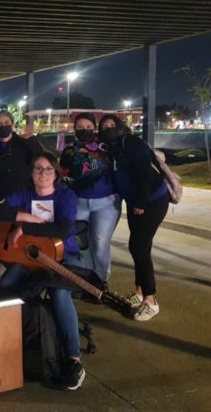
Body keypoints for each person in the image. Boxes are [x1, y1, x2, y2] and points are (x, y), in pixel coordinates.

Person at [0, 152, 86, 390]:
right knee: (7, 285)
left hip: (64, 256)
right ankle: (26, 339)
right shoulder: (24, 194)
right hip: (30, 258)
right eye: (38, 169)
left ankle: (74, 359)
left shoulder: (66, 196)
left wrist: (24, 228)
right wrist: (27, 218)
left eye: (48, 169)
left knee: (61, 294)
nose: (43, 174)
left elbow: (62, 230)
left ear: (56, 173)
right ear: (31, 173)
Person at [98, 115, 169, 322]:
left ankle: (151, 300)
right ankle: (139, 292)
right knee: (137, 247)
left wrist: (140, 203)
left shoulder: (133, 144)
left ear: (121, 128)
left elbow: (145, 175)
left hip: (151, 201)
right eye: (104, 127)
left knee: (139, 247)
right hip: (136, 202)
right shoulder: (114, 148)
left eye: (112, 125)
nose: (108, 129)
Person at [59, 113, 121, 289]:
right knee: (80, 245)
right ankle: (84, 280)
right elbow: (63, 176)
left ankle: (101, 281)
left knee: (100, 244)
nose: (84, 131)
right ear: (74, 129)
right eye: (80, 127)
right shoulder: (69, 151)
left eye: (88, 127)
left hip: (106, 203)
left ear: (94, 128)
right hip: (79, 202)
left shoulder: (107, 147)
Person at [0, 110, 46, 207]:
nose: (3, 126)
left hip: (24, 197)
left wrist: (31, 140)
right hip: (0, 199)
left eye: (6, 122)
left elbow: (40, 160)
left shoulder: (24, 142)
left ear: (12, 125)